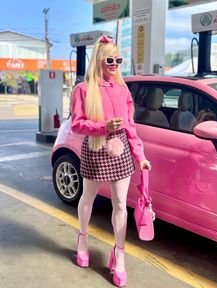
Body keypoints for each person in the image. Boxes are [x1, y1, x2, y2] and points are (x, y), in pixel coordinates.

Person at [70, 35, 151, 287]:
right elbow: (76, 124)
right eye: (109, 59)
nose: (115, 64)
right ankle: (82, 238)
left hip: (121, 151)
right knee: (87, 198)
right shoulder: (83, 90)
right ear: (98, 61)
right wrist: (101, 126)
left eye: (118, 59)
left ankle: (120, 254)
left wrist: (141, 155)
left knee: (119, 204)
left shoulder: (123, 91)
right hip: (95, 149)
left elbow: (131, 127)